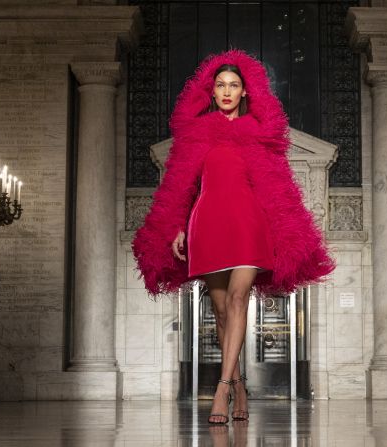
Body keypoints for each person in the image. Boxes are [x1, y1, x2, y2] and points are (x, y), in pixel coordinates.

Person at [131, 49, 336, 425]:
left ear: (245, 91)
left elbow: (276, 188)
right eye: (221, 85)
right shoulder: (196, 133)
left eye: (234, 85)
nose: (227, 91)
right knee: (222, 310)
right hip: (207, 223)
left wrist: (280, 228)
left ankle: (222, 389)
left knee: (240, 297)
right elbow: (181, 185)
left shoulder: (260, 132)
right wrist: (175, 224)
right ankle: (241, 384)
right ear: (211, 91)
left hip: (248, 224)